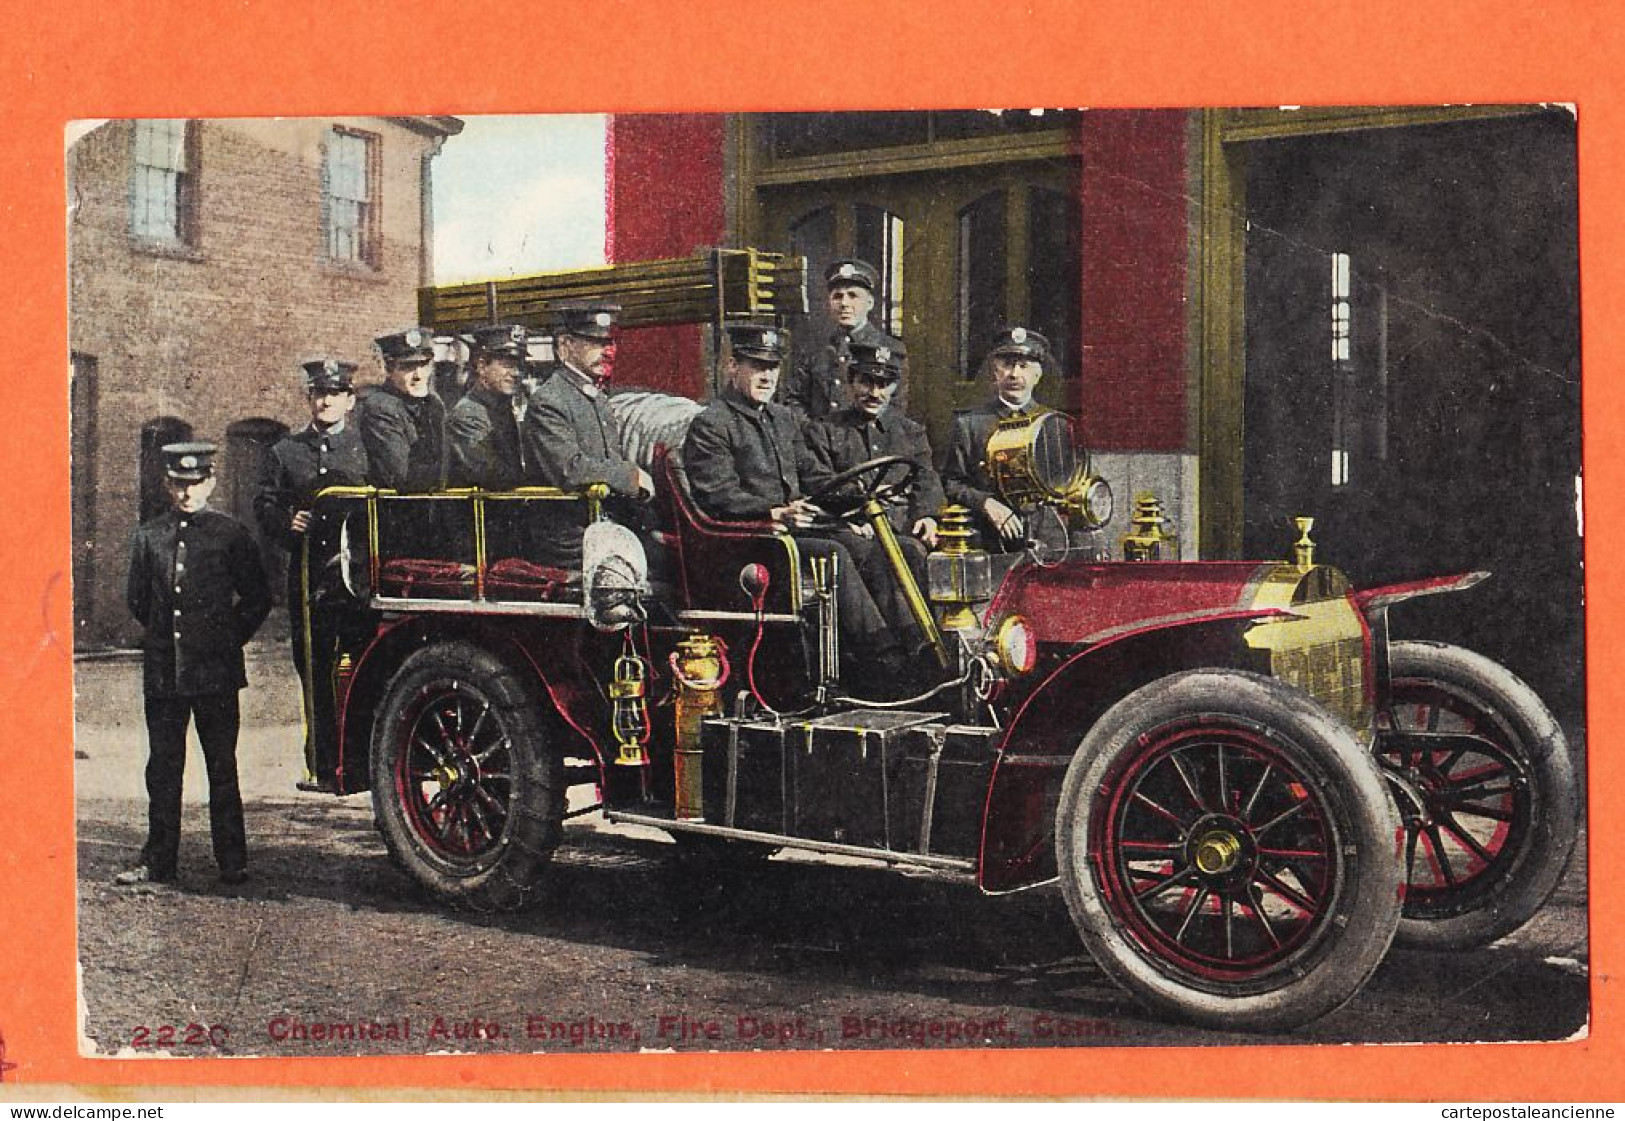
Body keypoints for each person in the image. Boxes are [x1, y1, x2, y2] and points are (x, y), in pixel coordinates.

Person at [682, 323, 910, 686]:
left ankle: (906, 647)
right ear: (732, 367)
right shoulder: (712, 424)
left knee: (877, 548)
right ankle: (885, 662)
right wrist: (775, 512)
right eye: (756, 366)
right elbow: (718, 495)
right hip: (749, 543)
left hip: (792, 530)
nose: (767, 376)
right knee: (834, 552)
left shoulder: (781, 419)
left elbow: (813, 474)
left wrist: (857, 499)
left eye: (772, 368)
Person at [118, 443, 272, 887]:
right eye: (180, 484)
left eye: (197, 483)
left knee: (221, 765)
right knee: (164, 767)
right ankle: (159, 861)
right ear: (168, 485)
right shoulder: (149, 536)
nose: (188, 493)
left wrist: (226, 640)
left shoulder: (231, 534)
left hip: (215, 672)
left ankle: (232, 860)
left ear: (212, 482)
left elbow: (258, 597)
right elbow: (138, 600)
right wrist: (169, 640)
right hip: (166, 672)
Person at [254, 358, 369, 794]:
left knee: (358, 662)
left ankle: (359, 763)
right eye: (319, 394)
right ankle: (323, 766)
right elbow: (263, 504)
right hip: (308, 576)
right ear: (309, 398)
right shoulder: (286, 452)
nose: (326, 401)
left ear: (349, 400)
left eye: (335, 394)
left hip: (355, 574)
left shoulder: (365, 447)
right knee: (315, 665)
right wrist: (287, 522)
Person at [802, 340, 945, 655]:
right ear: (852, 382)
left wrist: (927, 515)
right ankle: (896, 652)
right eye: (866, 381)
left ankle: (928, 645)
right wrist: (855, 513)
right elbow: (817, 482)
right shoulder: (824, 430)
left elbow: (927, 479)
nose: (874, 392)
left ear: (893, 387)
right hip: (854, 531)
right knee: (886, 555)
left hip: (900, 526)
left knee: (912, 550)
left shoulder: (909, 432)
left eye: (883, 384)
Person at [522, 302, 652, 568]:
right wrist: (630, 476)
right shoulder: (549, 401)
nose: (607, 351)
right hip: (567, 535)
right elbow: (570, 469)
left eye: (609, 343)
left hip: (603, 525)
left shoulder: (597, 398)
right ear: (565, 345)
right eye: (595, 342)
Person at [939, 326, 1060, 551]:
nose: (1014, 374)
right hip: (989, 535)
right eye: (1007, 365)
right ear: (995, 372)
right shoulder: (970, 425)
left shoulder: (1052, 425)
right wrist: (985, 502)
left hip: (1045, 533)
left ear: (1037, 375)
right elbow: (951, 483)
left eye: (1023, 366)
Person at [783, 258, 906, 422]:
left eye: (853, 296)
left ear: (869, 303)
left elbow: (893, 408)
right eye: (837, 296)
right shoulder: (815, 349)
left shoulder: (890, 349)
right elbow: (794, 399)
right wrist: (813, 433)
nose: (844, 303)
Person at [356, 327, 447, 492]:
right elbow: (402, 476)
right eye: (408, 367)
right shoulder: (380, 407)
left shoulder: (433, 404)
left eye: (424, 365)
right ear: (389, 370)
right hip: (398, 510)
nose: (418, 375)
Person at [449, 323, 528, 489]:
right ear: (482, 366)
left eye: (519, 366)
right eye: (507, 364)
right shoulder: (467, 414)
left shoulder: (501, 408)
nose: (516, 373)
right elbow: (490, 474)